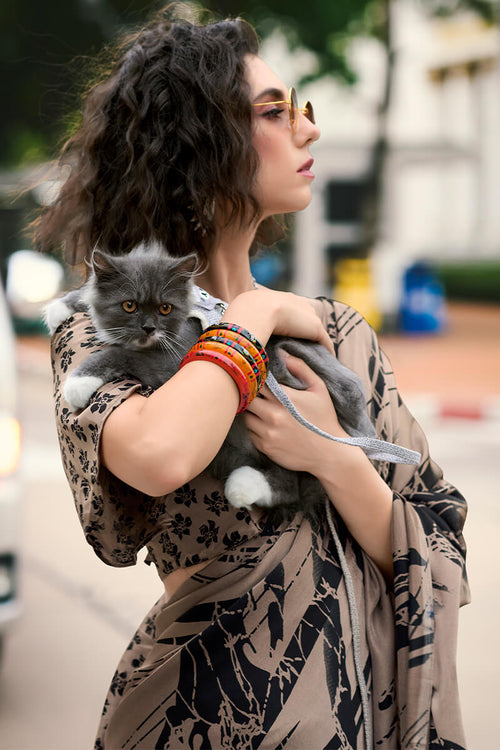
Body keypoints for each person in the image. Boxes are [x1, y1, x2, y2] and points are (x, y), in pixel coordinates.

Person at [36, 5, 469, 748]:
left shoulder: (335, 332)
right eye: (274, 112)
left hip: (350, 717)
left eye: (301, 108)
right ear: (199, 143)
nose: (308, 129)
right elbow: (160, 453)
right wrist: (254, 317)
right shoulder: (98, 325)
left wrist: (332, 454)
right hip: (201, 711)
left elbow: (436, 545)